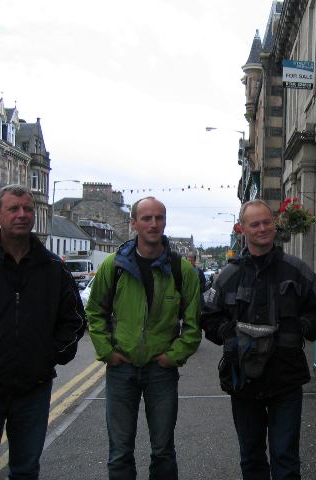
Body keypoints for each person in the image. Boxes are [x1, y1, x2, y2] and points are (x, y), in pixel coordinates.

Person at [201, 199, 316, 480]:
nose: (262, 228)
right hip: (243, 381)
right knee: (251, 458)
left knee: (286, 459)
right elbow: (208, 317)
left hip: (286, 379)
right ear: (242, 229)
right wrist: (230, 335)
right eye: (255, 224)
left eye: (267, 222)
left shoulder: (297, 270)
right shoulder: (228, 275)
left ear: (274, 224)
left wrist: (299, 328)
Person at [0, 184, 86, 479]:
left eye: (27, 209)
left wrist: (50, 355)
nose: (22, 214)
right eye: (13, 209)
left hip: (33, 389)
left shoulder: (54, 268)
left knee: (25, 470)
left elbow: (74, 320)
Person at [86, 196, 201, 480]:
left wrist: (173, 357)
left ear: (165, 222)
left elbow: (194, 323)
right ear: (134, 223)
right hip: (121, 370)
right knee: (119, 453)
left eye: (159, 218)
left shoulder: (181, 270)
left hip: (161, 371)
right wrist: (107, 352)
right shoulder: (114, 266)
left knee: (163, 451)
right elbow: (95, 311)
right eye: (146, 218)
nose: (153, 224)